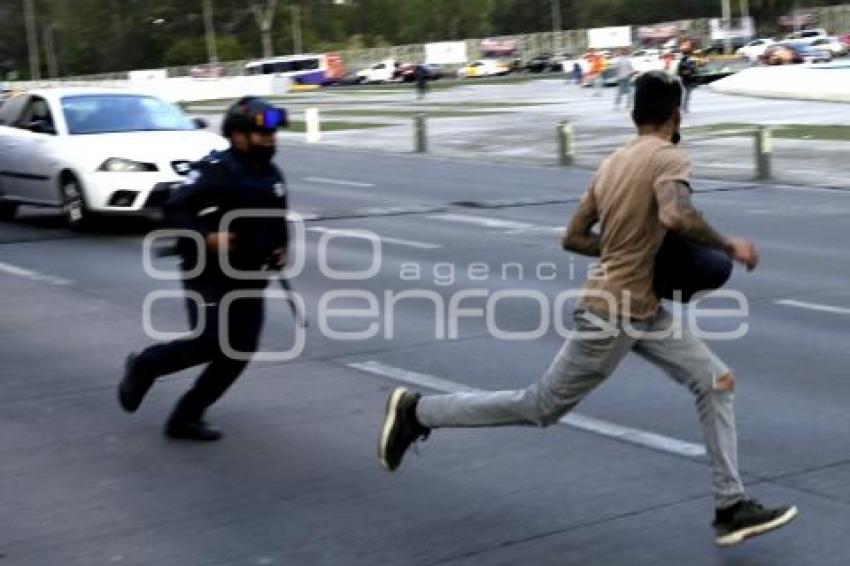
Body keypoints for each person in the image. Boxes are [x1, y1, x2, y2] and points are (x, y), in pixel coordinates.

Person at [378, 71, 797, 547]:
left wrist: (627, 250)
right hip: (612, 311)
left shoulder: (612, 164)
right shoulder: (670, 156)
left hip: (642, 306)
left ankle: (731, 507)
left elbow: (574, 237)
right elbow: (675, 214)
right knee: (541, 406)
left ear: (634, 113)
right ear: (676, 114)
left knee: (715, 380)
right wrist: (729, 245)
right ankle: (418, 411)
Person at [118, 96, 290, 441]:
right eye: (263, 133)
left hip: (251, 275)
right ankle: (146, 365)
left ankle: (186, 417)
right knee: (211, 341)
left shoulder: (271, 173)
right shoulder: (216, 170)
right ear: (239, 136)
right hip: (208, 272)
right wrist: (207, 237)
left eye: (274, 133)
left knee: (239, 350)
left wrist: (280, 247)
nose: (272, 139)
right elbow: (174, 210)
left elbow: (276, 217)